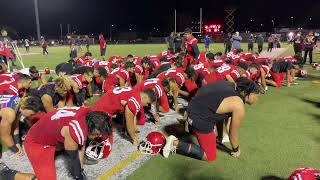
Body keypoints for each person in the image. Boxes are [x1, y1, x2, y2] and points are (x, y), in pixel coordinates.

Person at [162, 78, 260, 161]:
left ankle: (192, 127)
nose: (257, 99)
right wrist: (235, 149)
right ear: (250, 94)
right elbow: (233, 132)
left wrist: (219, 137)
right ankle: (173, 143)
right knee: (210, 156)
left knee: (218, 114)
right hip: (199, 120)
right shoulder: (238, 105)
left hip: (191, 111)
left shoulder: (228, 84)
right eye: (257, 96)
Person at [0, 107, 112, 180]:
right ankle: (7, 174)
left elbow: (80, 146)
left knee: (74, 146)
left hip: (50, 127)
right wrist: (79, 176)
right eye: (97, 134)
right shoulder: (76, 130)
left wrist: (80, 170)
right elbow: (74, 156)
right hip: (36, 142)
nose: (98, 137)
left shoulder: (88, 114)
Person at [92, 87, 157, 144]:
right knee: (106, 142)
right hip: (99, 114)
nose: (146, 105)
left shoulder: (136, 92)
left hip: (101, 106)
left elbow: (133, 115)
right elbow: (129, 122)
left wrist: (134, 131)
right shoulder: (135, 101)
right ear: (144, 97)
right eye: (147, 103)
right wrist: (133, 138)